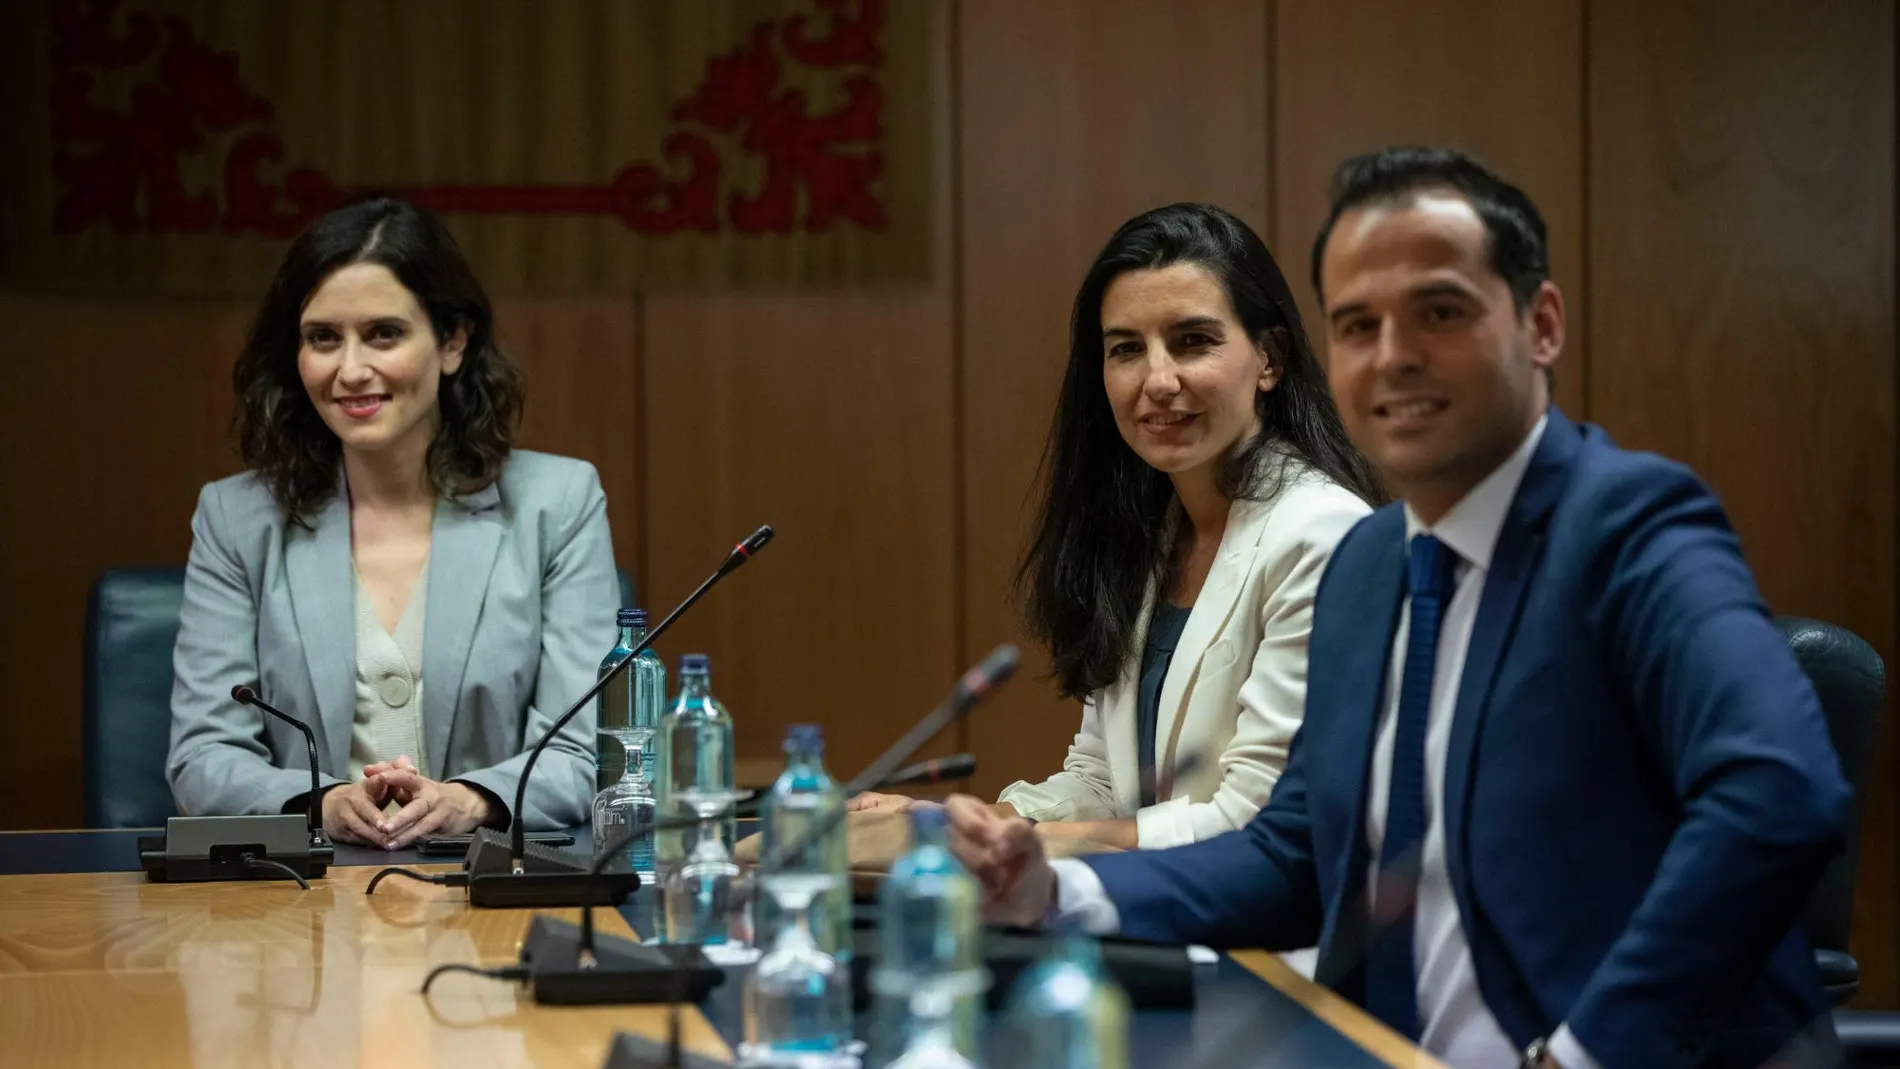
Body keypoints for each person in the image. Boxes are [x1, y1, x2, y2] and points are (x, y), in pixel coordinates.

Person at [946, 149, 1848, 1069]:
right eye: (1357, 324)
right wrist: (1053, 888)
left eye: (1440, 313)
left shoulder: (1629, 525)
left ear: (1541, 325)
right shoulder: (1370, 564)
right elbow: (1292, 859)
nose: (1394, 356)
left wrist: (1583, 1055)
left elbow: (1780, 794)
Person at [856, 203, 1381, 851]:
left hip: (1272, 939)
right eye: (1127, 349)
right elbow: (1105, 782)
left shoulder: (1323, 536)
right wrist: (968, 820)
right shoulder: (1149, 529)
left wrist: (1014, 845)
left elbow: (1253, 819)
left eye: (1193, 341)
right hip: (1148, 909)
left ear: (1269, 358)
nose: (1158, 380)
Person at [167, 197, 618, 850]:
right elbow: (201, 754)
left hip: (489, 893)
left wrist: (469, 801)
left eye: (383, 333)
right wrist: (320, 804)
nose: (350, 369)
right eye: (323, 337)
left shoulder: (559, 502)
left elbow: (585, 752)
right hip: (298, 908)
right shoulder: (236, 518)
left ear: (453, 341)